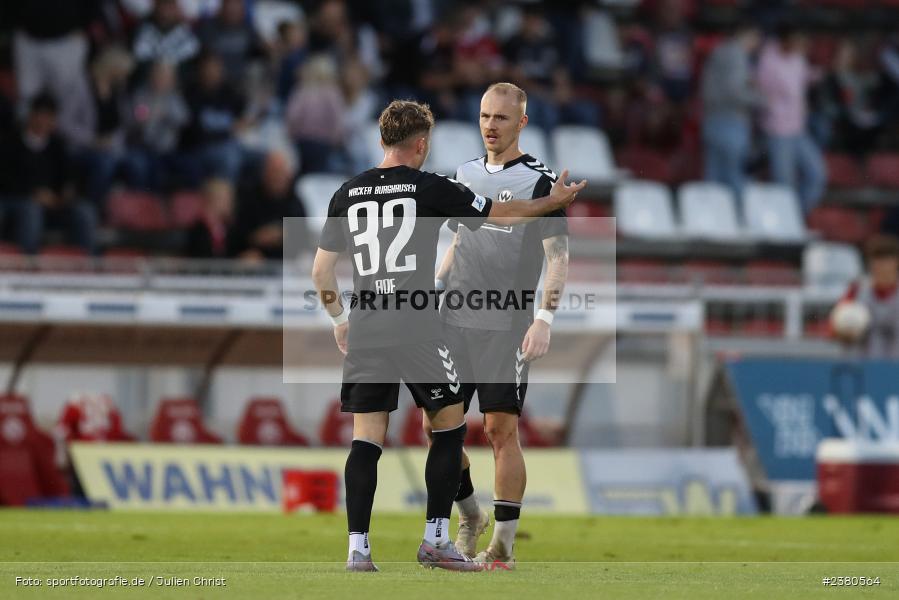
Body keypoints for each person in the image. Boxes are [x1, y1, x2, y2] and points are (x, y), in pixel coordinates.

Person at [310, 99, 584, 572]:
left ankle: (358, 549)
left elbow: (321, 273)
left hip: (369, 324)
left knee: (366, 441)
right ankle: (436, 538)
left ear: (380, 140)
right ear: (421, 145)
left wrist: (339, 322)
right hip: (417, 324)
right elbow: (500, 216)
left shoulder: (346, 192)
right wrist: (550, 203)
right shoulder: (429, 187)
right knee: (450, 426)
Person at [426, 82, 568, 569]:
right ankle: (470, 515)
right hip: (453, 318)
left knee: (499, 429)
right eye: (485, 116)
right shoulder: (462, 174)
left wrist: (544, 319)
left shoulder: (541, 183)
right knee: (438, 424)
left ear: (521, 123)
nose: (490, 125)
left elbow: (558, 257)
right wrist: (432, 288)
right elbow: (459, 243)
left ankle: (503, 547)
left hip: (507, 321)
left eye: (501, 118)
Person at [0, 93, 97, 254]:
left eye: (50, 117)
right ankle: (28, 267)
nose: (46, 121)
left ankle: (89, 266)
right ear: (31, 115)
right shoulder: (10, 142)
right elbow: (5, 179)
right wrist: (33, 194)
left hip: (54, 202)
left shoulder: (57, 145)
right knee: (31, 211)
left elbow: (68, 175)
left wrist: (67, 191)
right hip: (19, 201)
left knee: (85, 212)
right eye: (42, 115)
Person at [756, 24, 827, 215]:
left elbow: (803, 80)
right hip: (778, 130)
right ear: (785, 39)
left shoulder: (798, 59)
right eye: (797, 40)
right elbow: (762, 94)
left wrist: (819, 74)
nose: (801, 45)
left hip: (798, 129)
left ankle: (797, 215)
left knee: (816, 174)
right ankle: (785, 222)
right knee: (784, 184)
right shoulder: (767, 60)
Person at [701, 21, 762, 202]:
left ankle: (713, 221)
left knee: (713, 178)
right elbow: (734, 91)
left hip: (712, 120)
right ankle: (738, 223)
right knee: (735, 179)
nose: (757, 44)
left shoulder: (719, 51)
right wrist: (762, 99)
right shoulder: (737, 55)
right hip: (731, 122)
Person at [832, 235, 899, 359]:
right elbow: (834, 330)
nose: (882, 267)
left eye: (887, 261)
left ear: (896, 263)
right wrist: (845, 332)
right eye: (877, 261)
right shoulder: (857, 290)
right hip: (863, 369)